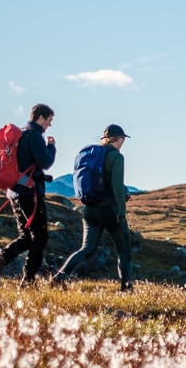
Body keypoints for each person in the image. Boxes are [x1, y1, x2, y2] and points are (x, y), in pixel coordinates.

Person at [50, 124, 134, 292]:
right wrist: (122, 212)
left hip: (90, 209)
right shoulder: (116, 157)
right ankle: (126, 289)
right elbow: (117, 186)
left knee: (87, 248)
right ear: (119, 139)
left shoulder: (93, 155)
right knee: (124, 249)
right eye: (123, 139)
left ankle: (60, 276)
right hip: (110, 210)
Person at [0, 103, 57, 288]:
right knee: (40, 237)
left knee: (26, 236)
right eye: (49, 120)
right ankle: (28, 281)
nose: (50, 125)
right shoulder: (35, 136)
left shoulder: (21, 135)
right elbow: (45, 162)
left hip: (14, 193)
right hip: (30, 194)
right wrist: (51, 147)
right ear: (41, 117)